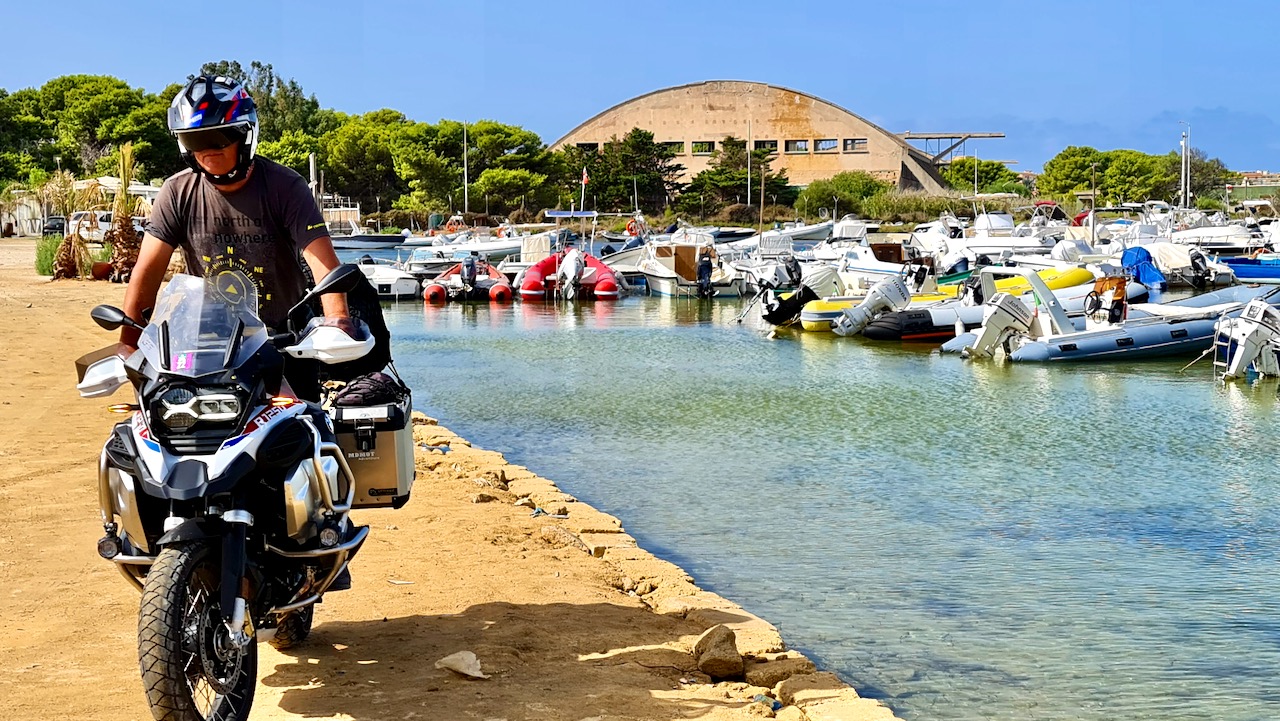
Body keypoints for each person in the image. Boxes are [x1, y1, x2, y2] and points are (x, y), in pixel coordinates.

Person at [117, 75, 349, 401]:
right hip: (206, 343)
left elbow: (323, 262)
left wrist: (338, 323)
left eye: (219, 138)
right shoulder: (177, 191)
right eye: (196, 140)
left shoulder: (286, 188)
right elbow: (147, 270)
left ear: (244, 135)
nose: (208, 150)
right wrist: (129, 342)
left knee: (306, 433)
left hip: (284, 341)